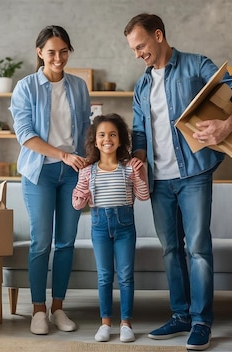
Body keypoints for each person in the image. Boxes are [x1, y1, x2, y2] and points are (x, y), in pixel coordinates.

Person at [123, 13, 232, 351]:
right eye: (133, 50)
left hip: (194, 174)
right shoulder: (142, 85)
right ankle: (180, 315)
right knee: (170, 251)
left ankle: (201, 321)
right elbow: (139, 132)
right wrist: (138, 158)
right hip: (159, 180)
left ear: (159, 35)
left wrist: (226, 126)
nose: (138, 54)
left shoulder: (196, 66)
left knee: (198, 249)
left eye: (141, 46)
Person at [9, 25, 91, 335]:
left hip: (72, 174)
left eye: (64, 51)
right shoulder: (26, 87)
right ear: (39, 52)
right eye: (52, 52)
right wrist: (63, 155)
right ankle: (38, 310)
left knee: (67, 242)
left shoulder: (79, 87)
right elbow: (26, 136)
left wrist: (89, 165)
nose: (58, 58)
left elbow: (85, 130)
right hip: (39, 172)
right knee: (41, 242)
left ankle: (58, 308)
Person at [72, 113, 149, 343]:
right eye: (102, 135)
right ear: (95, 141)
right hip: (99, 227)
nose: (108, 139)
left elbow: (143, 196)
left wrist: (140, 172)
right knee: (105, 277)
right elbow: (77, 204)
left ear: (120, 139)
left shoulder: (128, 168)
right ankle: (105, 323)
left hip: (125, 226)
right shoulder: (87, 170)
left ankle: (126, 323)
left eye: (113, 134)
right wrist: (82, 191)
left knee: (125, 276)